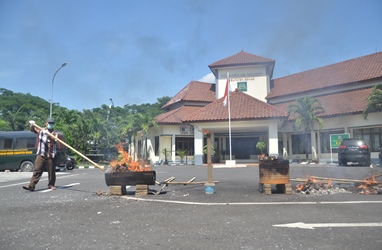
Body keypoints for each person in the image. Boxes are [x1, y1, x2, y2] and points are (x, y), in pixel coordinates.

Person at [23, 117, 58, 191]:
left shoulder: (55, 133)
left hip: (50, 155)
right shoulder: (41, 130)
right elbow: (33, 130)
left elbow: (52, 140)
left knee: (51, 171)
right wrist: (32, 125)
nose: (50, 125)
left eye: (52, 123)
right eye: (49, 123)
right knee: (37, 170)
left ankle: (51, 184)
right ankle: (31, 186)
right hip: (41, 154)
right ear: (46, 123)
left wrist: (49, 135)